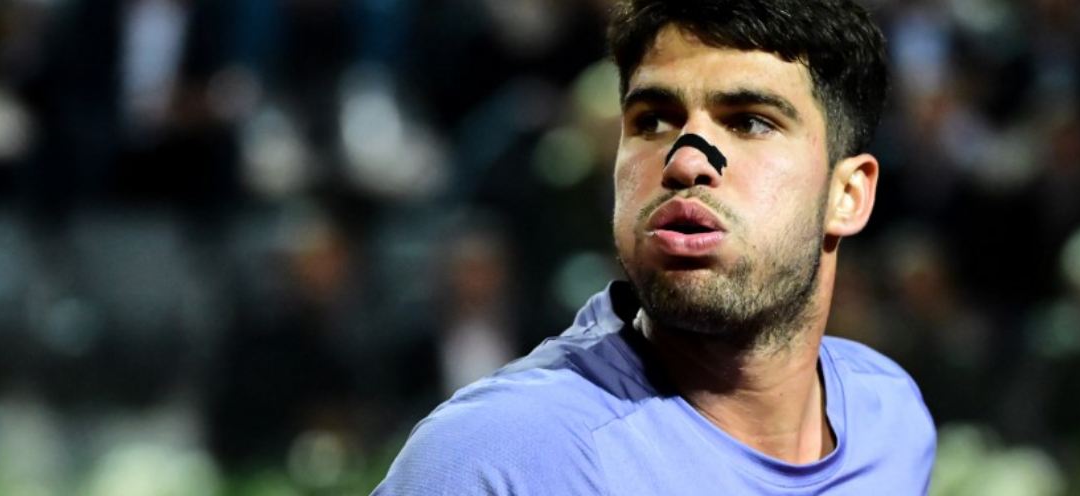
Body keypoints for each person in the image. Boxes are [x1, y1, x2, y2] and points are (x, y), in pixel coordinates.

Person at [373, 0, 935, 494]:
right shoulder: (489, 461)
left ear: (847, 195)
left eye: (749, 123)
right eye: (653, 120)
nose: (686, 160)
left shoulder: (891, 418)